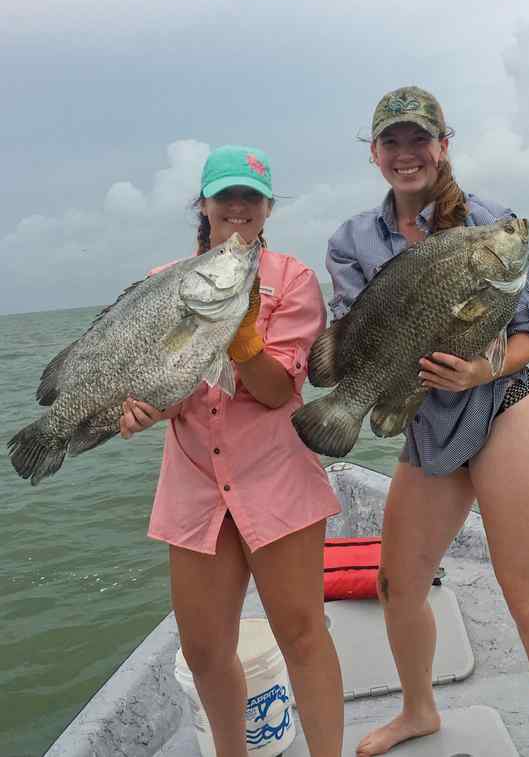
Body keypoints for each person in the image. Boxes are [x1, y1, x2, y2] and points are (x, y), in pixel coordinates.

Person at [326, 88, 529, 757]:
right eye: (392, 141)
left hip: (504, 407)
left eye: (420, 138)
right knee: (396, 585)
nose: (406, 153)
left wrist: (478, 372)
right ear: (375, 153)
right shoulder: (352, 241)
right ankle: (419, 711)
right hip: (425, 423)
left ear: (443, 145)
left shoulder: (492, 223)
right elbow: (358, 337)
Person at [119, 144, 344, 757]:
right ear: (205, 205)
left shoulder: (293, 280)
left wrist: (243, 338)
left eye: (251, 196)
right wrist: (141, 407)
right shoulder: (164, 283)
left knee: (303, 636)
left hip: (277, 479)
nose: (238, 207)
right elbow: (166, 389)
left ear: (268, 208)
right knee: (203, 649)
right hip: (195, 485)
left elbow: (276, 392)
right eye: (226, 196)